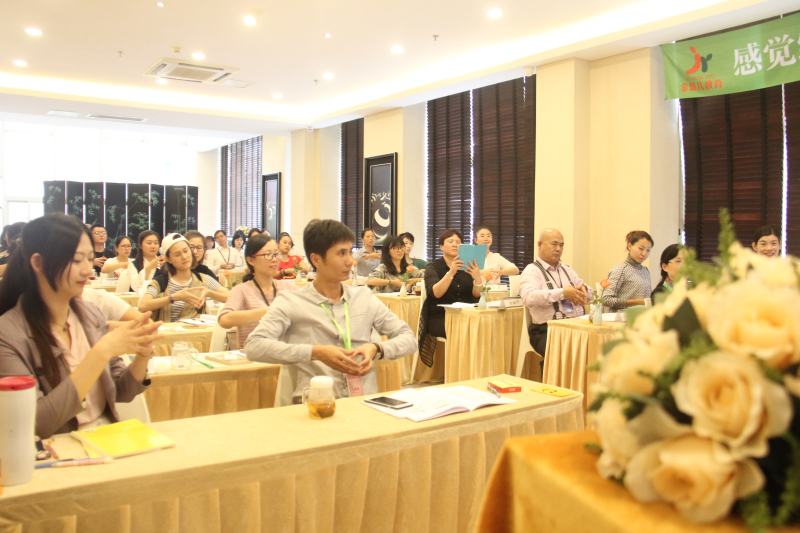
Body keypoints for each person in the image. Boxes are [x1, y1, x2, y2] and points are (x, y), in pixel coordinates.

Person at [0, 214, 163, 438]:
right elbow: (35, 425)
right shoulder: (9, 334)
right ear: (38, 263)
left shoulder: (89, 314)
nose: (87, 270)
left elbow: (122, 392)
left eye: (89, 259)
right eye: (77, 261)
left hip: (104, 440)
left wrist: (142, 356)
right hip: (55, 449)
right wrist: (101, 352)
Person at [245, 219, 416, 402]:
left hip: (363, 405)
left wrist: (377, 348)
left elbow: (409, 339)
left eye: (350, 252)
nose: (350, 261)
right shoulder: (291, 302)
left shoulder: (363, 297)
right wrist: (315, 353)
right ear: (316, 260)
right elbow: (254, 346)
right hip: (315, 405)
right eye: (341, 253)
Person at [218, 234, 298, 350]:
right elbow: (224, 320)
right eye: (267, 255)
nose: (274, 259)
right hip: (253, 357)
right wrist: (269, 311)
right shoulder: (241, 290)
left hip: (285, 356)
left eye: (276, 254)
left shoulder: (289, 288)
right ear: (251, 260)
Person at [518, 229, 591, 356]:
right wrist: (562, 293)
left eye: (561, 245)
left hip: (574, 326)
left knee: (597, 345)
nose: (558, 249)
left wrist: (584, 290)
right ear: (540, 244)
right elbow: (528, 297)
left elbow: (589, 292)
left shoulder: (567, 270)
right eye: (554, 244)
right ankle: (552, 369)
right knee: (568, 350)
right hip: (546, 330)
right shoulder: (531, 271)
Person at [417, 229, 482, 367]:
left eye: (458, 242)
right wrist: (451, 272)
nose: (455, 244)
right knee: (464, 329)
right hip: (440, 317)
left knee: (483, 327)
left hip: (465, 315)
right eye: (450, 241)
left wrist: (477, 277)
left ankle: (475, 368)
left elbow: (476, 295)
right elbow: (436, 293)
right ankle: (458, 370)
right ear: (441, 246)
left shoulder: (467, 265)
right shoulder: (433, 267)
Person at [138, 234, 229, 322]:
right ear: (168, 259)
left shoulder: (202, 279)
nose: (184, 257)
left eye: (186, 251)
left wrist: (209, 293)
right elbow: (142, 306)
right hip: (168, 331)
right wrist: (174, 297)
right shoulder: (161, 281)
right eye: (177, 254)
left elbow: (231, 297)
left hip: (195, 331)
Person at [603, 230, 654, 312]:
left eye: (648, 250)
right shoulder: (620, 270)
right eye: (641, 248)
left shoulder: (645, 271)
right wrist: (636, 302)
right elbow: (606, 299)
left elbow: (648, 298)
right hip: (621, 317)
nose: (644, 253)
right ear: (630, 246)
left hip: (641, 317)